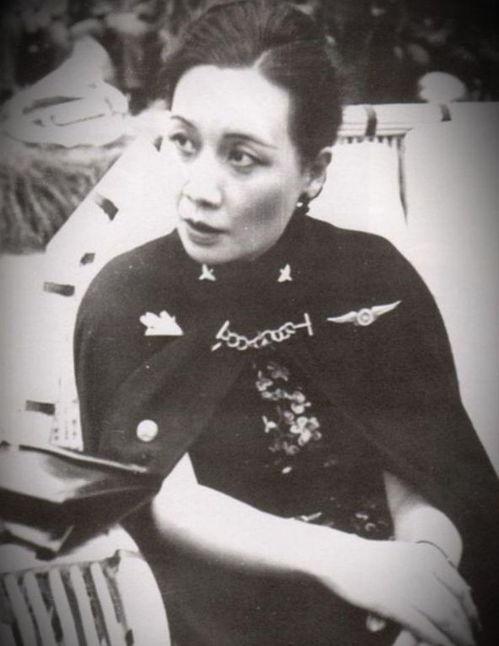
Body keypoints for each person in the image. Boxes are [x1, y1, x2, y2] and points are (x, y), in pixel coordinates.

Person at [74, 1, 499, 644]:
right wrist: (350, 563)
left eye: (241, 157)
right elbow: (158, 498)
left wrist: (424, 575)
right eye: (184, 142)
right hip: (233, 623)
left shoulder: (371, 277)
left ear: (314, 171)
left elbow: (423, 475)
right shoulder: (129, 295)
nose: (198, 189)